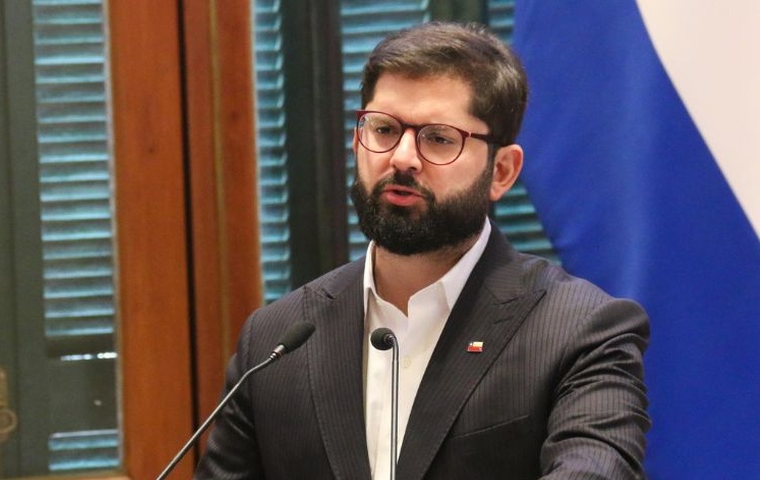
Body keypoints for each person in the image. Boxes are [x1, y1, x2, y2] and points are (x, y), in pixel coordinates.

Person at [194, 21, 650, 479]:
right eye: (384, 129)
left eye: (438, 138)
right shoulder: (275, 341)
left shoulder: (581, 331)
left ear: (502, 172)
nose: (402, 158)